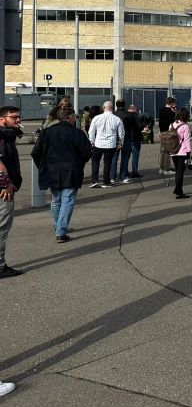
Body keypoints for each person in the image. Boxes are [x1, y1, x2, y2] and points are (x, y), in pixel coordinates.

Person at [31, 108, 92, 242]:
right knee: (67, 199)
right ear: (70, 117)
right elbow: (87, 151)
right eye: (74, 117)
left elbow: (35, 152)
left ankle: (58, 226)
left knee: (56, 199)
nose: (75, 119)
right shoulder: (77, 133)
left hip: (51, 169)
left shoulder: (47, 132)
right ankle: (61, 230)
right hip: (71, 169)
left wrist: (43, 165)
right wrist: (80, 162)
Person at [0, 106, 24, 279]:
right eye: (14, 117)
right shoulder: (2, 136)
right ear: (2, 119)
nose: (18, 120)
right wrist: (6, 184)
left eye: (18, 117)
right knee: (1, 229)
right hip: (3, 191)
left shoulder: (8, 136)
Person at [88, 101, 125, 188]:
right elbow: (121, 133)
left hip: (98, 143)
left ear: (103, 108)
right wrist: (120, 143)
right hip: (111, 144)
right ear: (112, 108)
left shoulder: (96, 118)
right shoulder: (117, 119)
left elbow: (91, 131)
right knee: (108, 163)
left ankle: (94, 180)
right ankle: (106, 181)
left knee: (95, 161)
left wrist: (92, 142)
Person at [111, 99, 139, 184]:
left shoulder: (113, 115)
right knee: (125, 158)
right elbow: (136, 126)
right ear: (124, 105)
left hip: (114, 139)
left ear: (116, 105)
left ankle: (112, 177)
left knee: (114, 158)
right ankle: (123, 176)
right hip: (126, 138)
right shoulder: (129, 115)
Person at [169, 108, 192, 200]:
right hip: (182, 151)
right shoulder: (185, 126)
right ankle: (179, 191)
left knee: (177, 171)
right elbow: (187, 140)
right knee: (180, 172)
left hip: (173, 150)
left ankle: (178, 190)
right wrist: (189, 151)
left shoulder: (171, 125)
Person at [158, 97, 177, 175]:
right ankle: (166, 168)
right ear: (172, 103)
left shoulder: (161, 110)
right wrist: (174, 112)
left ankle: (161, 168)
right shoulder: (170, 112)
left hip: (162, 132)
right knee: (168, 151)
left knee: (163, 151)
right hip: (169, 133)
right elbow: (173, 122)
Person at [125, 105, 143, 178]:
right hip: (135, 138)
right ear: (135, 109)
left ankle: (125, 171)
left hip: (126, 138)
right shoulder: (136, 117)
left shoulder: (125, 116)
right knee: (135, 156)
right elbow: (140, 126)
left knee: (126, 156)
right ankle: (134, 171)